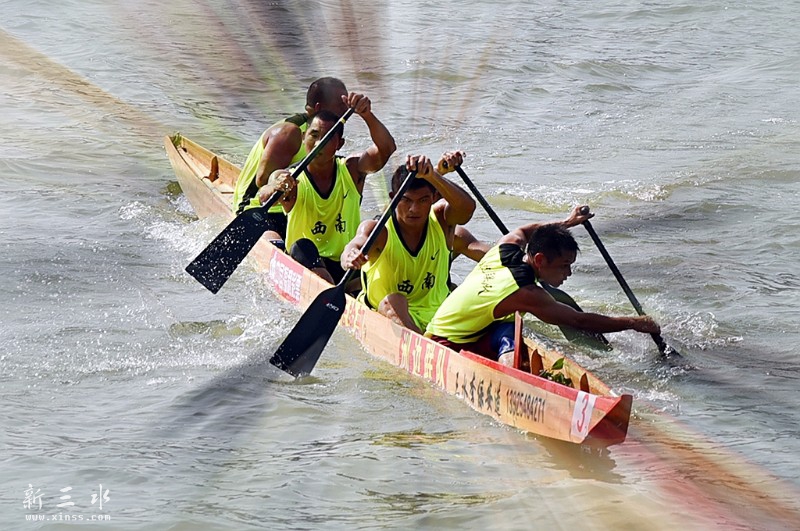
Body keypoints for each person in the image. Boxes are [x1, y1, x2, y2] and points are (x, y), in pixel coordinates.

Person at [425, 206, 661, 366]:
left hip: (469, 328)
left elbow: (524, 231)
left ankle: (510, 359)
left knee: (510, 325)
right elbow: (578, 320)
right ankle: (513, 375)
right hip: (444, 343)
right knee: (512, 329)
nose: (568, 273)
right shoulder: (527, 293)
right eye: (564, 265)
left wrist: (567, 223)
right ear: (539, 260)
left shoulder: (505, 248)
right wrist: (634, 323)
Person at [258, 92, 396, 283]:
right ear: (304, 137)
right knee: (303, 246)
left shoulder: (352, 170)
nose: (318, 143)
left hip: (347, 262)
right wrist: (274, 187)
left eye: (327, 138)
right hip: (305, 262)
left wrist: (366, 115)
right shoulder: (289, 178)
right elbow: (263, 195)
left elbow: (387, 149)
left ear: (339, 144)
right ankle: (333, 291)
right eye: (314, 135)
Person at [340, 152, 476, 333]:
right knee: (395, 300)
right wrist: (349, 256)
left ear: (434, 198)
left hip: (439, 316)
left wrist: (433, 176)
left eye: (423, 200)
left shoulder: (442, 220)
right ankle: (426, 344)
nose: (414, 209)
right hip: (393, 313)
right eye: (406, 200)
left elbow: (467, 208)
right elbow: (355, 244)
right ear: (393, 197)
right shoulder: (379, 231)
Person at [231, 77, 349, 243]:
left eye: (347, 103)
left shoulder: (332, 134)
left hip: (293, 207)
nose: (347, 110)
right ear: (319, 108)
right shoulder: (289, 134)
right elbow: (262, 181)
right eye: (340, 104)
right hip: (261, 208)